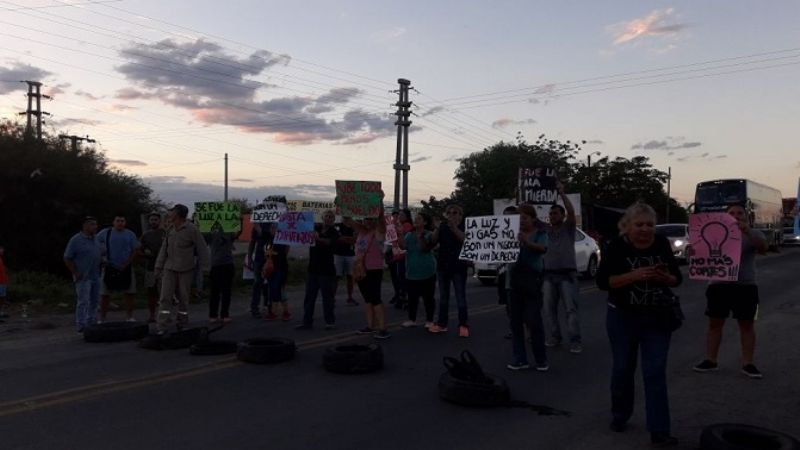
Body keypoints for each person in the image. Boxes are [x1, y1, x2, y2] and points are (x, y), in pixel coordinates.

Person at [596, 202, 682, 447]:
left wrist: (665, 277)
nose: (645, 229)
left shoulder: (661, 244)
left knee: (654, 372)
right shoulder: (616, 247)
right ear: (627, 226)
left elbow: (677, 279)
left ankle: (659, 430)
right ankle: (620, 414)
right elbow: (603, 282)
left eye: (650, 225)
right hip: (623, 317)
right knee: (623, 369)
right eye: (639, 224)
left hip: (657, 318)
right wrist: (633, 276)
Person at [693, 204, 768, 379]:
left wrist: (747, 231)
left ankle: (748, 363)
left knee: (747, 325)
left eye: (739, 213)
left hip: (746, 286)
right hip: (718, 285)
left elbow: (764, 248)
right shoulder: (715, 232)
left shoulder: (753, 233)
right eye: (731, 213)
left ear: (746, 216)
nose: (735, 216)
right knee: (714, 324)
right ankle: (711, 360)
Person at [154, 204, 210, 334]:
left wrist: (206, 267)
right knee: (165, 297)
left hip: (186, 269)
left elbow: (202, 249)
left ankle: (182, 322)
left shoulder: (192, 229)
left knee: (184, 299)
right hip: (169, 268)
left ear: (178, 214)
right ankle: (162, 325)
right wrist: (158, 266)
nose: (170, 213)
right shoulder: (170, 229)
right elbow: (164, 249)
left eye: (172, 211)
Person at [506, 204, 549, 371]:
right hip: (514, 282)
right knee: (515, 323)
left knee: (533, 321)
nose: (521, 221)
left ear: (532, 218)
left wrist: (526, 242)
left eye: (524, 217)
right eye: (519, 218)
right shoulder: (510, 234)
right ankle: (520, 359)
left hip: (532, 282)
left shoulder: (540, 233)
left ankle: (541, 359)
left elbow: (543, 249)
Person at [543, 182, 583, 353]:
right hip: (549, 276)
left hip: (567, 275)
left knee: (570, 309)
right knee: (549, 310)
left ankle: (575, 340)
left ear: (562, 215)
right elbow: (527, 215)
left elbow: (572, 212)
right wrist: (519, 197)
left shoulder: (568, 228)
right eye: (550, 214)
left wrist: (562, 194)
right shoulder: (546, 230)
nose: (552, 216)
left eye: (555, 213)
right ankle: (555, 336)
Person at [344, 192, 390, 339]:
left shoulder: (378, 232)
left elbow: (382, 219)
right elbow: (348, 220)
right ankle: (370, 326)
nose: (368, 221)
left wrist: (380, 203)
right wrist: (342, 204)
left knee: (375, 298)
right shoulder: (362, 232)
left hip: (374, 269)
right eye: (366, 219)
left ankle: (383, 329)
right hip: (360, 270)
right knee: (368, 299)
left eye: (371, 218)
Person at [429, 204, 469, 337]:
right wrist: (436, 229)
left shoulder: (465, 227)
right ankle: (442, 324)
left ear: (460, 215)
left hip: (459, 267)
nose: (452, 215)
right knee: (443, 297)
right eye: (449, 213)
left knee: (460, 297)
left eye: (455, 212)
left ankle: (463, 325)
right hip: (443, 266)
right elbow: (433, 242)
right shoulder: (443, 227)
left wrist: (454, 228)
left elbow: (466, 240)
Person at [297, 210, 340, 330]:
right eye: (326, 216)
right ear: (322, 217)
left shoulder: (334, 232)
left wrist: (317, 238)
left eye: (331, 217)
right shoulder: (316, 227)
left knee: (327, 298)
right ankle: (307, 322)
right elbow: (301, 227)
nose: (328, 218)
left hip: (326, 270)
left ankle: (330, 322)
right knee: (309, 297)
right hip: (313, 269)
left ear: (333, 220)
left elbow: (329, 242)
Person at [96, 214, 139, 322]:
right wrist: (103, 259)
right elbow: (96, 245)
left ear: (125, 222)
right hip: (109, 267)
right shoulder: (105, 233)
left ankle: (129, 316)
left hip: (126, 267)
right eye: (118, 221)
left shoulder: (130, 234)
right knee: (105, 294)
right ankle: (102, 318)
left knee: (130, 292)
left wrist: (127, 263)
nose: (120, 223)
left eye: (122, 221)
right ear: (113, 222)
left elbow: (135, 250)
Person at [63, 216, 103, 332]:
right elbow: (67, 258)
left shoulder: (96, 239)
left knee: (95, 300)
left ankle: (92, 321)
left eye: (95, 224)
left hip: (96, 274)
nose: (94, 227)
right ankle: (81, 324)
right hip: (83, 276)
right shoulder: (76, 239)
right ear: (85, 226)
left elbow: (98, 253)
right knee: (83, 301)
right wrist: (75, 272)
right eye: (91, 224)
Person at [398, 212, 437, 328]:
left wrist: (420, 236)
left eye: (419, 219)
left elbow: (424, 248)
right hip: (411, 271)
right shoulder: (409, 235)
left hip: (427, 271)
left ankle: (429, 320)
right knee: (412, 298)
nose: (416, 221)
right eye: (415, 219)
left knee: (428, 298)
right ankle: (412, 319)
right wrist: (400, 234)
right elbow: (403, 246)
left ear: (425, 222)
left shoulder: (429, 234)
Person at [205, 226, 237, 324]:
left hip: (228, 263)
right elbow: (203, 238)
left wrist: (240, 222)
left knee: (226, 291)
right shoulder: (209, 231)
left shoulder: (229, 230)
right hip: (215, 264)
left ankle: (225, 315)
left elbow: (237, 234)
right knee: (215, 291)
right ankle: (213, 315)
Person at [139, 212, 165, 323]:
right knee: (151, 293)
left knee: (164, 294)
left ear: (160, 221)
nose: (153, 221)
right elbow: (139, 250)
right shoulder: (145, 235)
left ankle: (164, 316)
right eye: (151, 220)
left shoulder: (166, 233)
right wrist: (145, 252)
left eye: (155, 219)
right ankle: (152, 315)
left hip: (164, 268)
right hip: (150, 267)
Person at [387, 209, 412, 310]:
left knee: (403, 278)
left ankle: (405, 299)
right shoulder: (400, 225)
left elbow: (401, 239)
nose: (399, 216)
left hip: (403, 255)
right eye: (399, 215)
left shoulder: (406, 226)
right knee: (400, 278)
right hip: (398, 254)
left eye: (402, 215)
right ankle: (402, 298)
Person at [247, 222, 273, 318]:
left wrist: (260, 231)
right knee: (257, 283)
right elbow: (252, 242)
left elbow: (273, 237)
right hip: (259, 258)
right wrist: (249, 258)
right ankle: (255, 308)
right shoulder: (257, 226)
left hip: (271, 258)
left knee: (271, 284)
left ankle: (270, 308)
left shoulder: (274, 224)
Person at [264, 229, 291, 321]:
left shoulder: (281, 240)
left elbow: (286, 250)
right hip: (272, 268)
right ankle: (279, 311)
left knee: (278, 289)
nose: (273, 229)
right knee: (273, 289)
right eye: (271, 227)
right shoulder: (269, 239)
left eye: (274, 227)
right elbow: (267, 253)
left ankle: (281, 311)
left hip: (280, 268)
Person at [333, 218, 358, 306]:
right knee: (336, 277)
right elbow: (337, 238)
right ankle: (332, 298)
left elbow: (356, 240)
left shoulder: (354, 227)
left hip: (350, 254)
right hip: (338, 254)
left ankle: (350, 297)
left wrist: (345, 238)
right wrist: (350, 239)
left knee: (350, 277)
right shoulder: (337, 226)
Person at [0, 245, 7, 319]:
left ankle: (1, 313)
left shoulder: (1, 259)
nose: (2, 251)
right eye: (1, 249)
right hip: (0, 282)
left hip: (3, 281)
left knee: (2, 297)